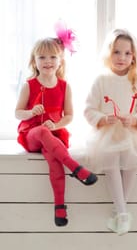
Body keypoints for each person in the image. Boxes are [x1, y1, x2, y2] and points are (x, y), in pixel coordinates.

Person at [15, 29, 98, 228]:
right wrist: (32, 112)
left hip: (54, 135)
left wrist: (56, 124)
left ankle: (59, 207)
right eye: (42, 57)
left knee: (53, 158)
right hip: (33, 134)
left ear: (60, 60)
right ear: (34, 61)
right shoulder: (29, 85)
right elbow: (18, 112)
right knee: (43, 132)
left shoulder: (64, 86)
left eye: (53, 57)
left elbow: (69, 116)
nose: (47, 61)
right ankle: (76, 169)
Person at [84, 29, 137, 235]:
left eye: (127, 53)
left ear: (134, 57)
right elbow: (88, 109)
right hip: (107, 132)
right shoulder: (101, 80)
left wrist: (134, 120)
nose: (121, 58)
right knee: (111, 159)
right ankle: (122, 211)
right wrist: (102, 119)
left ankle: (120, 210)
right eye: (116, 52)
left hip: (131, 132)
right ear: (108, 54)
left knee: (133, 160)